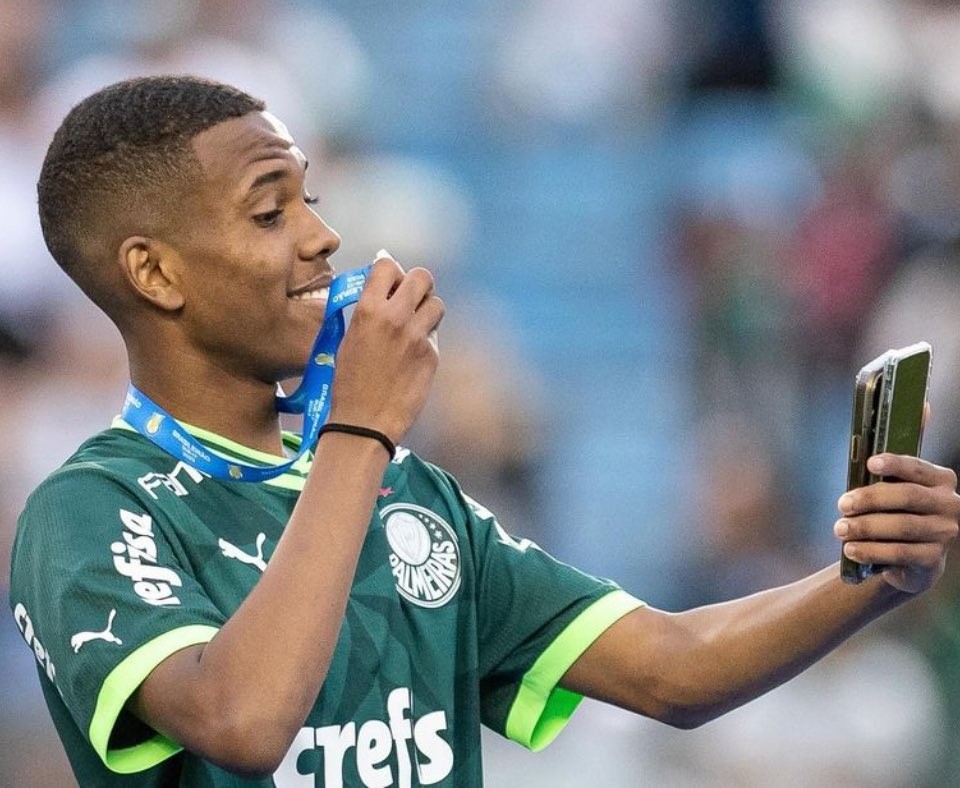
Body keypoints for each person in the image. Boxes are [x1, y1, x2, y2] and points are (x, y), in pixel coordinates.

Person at [8, 75, 960, 787]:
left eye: (310, 201)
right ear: (155, 274)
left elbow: (674, 671)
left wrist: (871, 578)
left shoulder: (411, 497)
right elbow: (243, 722)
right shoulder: (89, 510)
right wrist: (359, 430)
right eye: (269, 211)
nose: (321, 238)